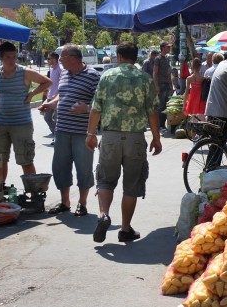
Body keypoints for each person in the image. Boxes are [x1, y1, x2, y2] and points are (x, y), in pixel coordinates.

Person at [85, 42, 162, 243]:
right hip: (135, 138)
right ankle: (125, 229)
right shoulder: (144, 79)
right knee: (132, 185)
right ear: (135, 57)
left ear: (118, 56)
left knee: (105, 180)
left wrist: (90, 133)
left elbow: (96, 108)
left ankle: (103, 216)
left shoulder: (107, 76)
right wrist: (156, 138)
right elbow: (152, 111)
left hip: (110, 137)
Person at [39, 44, 101, 216]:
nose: (59, 61)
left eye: (62, 58)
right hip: (62, 129)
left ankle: (82, 203)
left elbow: (102, 102)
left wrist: (86, 108)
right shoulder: (65, 73)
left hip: (83, 131)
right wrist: (51, 104)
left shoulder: (93, 76)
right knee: (60, 167)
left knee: (83, 168)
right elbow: (61, 93)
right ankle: (65, 202)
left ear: (73, 59)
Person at [0, 42, 52, 183]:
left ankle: (33, 192)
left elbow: (47, 82)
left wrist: (32, 94)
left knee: (25, 159)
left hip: (21, 123)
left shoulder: (24, 72)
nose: (12, 60)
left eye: (14, 56)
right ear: (1, 58)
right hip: (0, 123)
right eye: (8, 57)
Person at [40, 52, 62, 139]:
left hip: (57, 98)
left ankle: (57, 137)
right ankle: (56, 134)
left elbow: (62, 83)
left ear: (55, 59)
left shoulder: (60, 69)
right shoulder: (52, 69)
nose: (48, 60)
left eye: (49, 58)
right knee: (47, 117)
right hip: (50, 97)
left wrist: (57, 94)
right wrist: (46, 91)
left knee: (57, 119)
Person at [153, 41, 173, 131]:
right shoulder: (158, 59)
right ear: (163, 48)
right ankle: (160, 125)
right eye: (167, 47)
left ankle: (163, 125)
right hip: (161, 85)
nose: (169, 48)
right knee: (161, 106)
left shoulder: (166, 58)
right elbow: (155, 73)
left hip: (167, 85)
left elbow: (168, 73)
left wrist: (171, 85)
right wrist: (156, 85)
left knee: (166, 106)